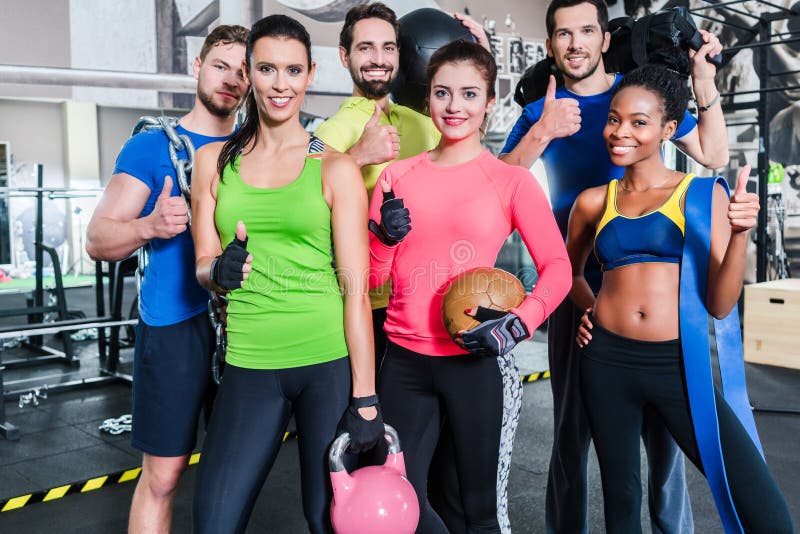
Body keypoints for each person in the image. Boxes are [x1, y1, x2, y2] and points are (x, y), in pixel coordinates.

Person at [498, 1, 729, 531]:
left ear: (605, 39)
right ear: (551, 44)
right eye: (562, 33)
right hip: (572, 289)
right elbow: (490, 183)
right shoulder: (541, 110)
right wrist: (542, 132)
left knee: (664, 447)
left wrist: (702, 78)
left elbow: (713, 153)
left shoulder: (640, 94)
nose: (574, 43)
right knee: (571, 435)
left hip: (653, 299)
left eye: (586, 31)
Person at [567, 64, 793, 534]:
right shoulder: (593, 201)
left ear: (669, 129)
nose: (620, 131)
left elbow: (720, 304)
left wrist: (740, 235)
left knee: (759, 501)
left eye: (638, 122)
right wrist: (588, 308)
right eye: (614, 118)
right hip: (606, 360)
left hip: (675, 363)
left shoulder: (698, 194)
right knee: (622, 500)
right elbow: (567, 272)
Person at [369, 39, 571, 533]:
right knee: (398, 503)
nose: (454, 106)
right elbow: (373, 280)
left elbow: (558, 268)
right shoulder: (396, 177)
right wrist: (383, 238)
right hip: (404, 363)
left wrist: (518, 324)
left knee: (474, 510)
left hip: (477, 365)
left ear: (487, 101)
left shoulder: (511, 181)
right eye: (442, 93)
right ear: (428, 98)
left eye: (468, 94)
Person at [189, 15, 381, 534]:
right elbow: (203, 263)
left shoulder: (335, 167)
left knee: (330, 522)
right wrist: (219, 271)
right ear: (248, 73)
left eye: (293, 70)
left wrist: (365, 399)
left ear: (311, 73)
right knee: (214, 521)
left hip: (326, 363)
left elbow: (356, 292)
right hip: (250, 361)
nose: (281, 84)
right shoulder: (212, 161)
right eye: (268, 69)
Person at [85, 24, 249, 533]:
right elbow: (97, 238)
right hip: (175, 328)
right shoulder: (153, 146)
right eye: (221, 65)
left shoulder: (259, 148)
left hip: (246, 327)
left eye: (245, 70)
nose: (232, 79)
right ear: (196, 66)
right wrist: (149, 226)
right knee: (163, 476)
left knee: (234, 478)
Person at [314, 2, 487, 367]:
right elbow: (299, 201)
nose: (379, 58)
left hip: (427, 302)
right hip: (365, 305)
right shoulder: (334, 130)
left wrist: (480, 56)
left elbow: (478, 168)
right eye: (366, 48)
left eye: (388, 47)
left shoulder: (421, 123)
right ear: (344, 56)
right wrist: (356, 157)